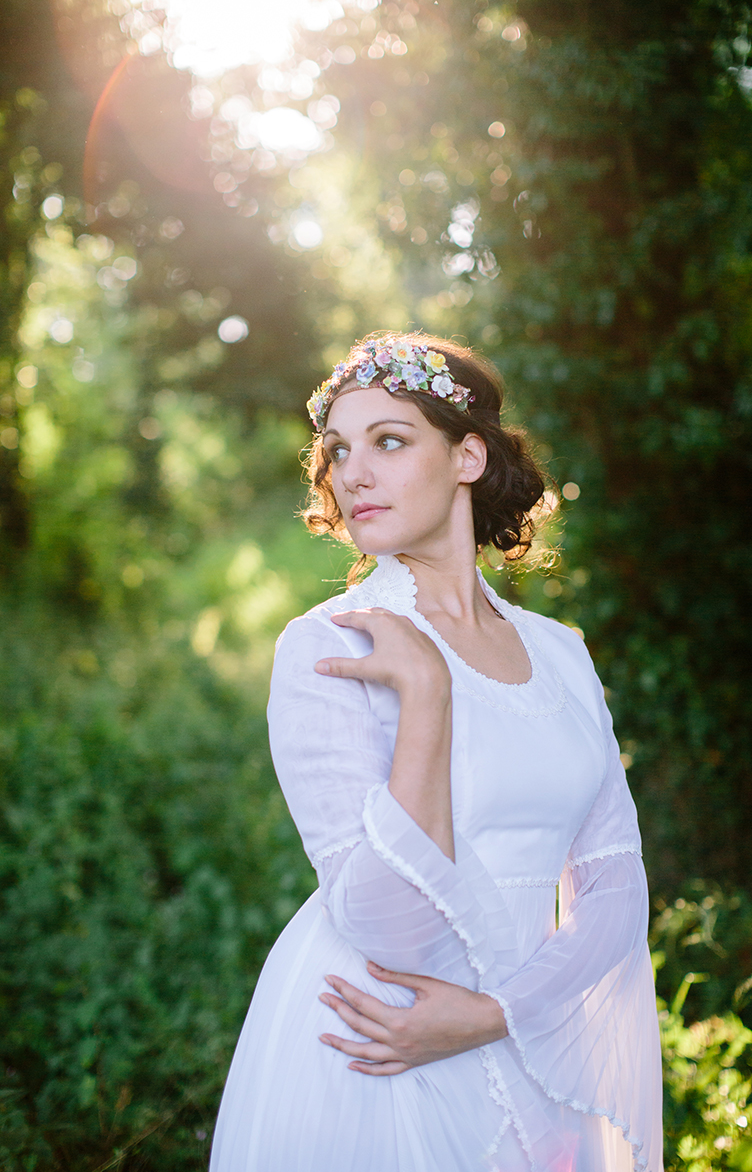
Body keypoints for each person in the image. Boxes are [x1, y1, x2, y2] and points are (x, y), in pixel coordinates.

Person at [209, 333, 663, 1172]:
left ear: (466, 456)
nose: (353, 473)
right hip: (379, 1043)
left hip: (526, 1034)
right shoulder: (325, 647)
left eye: (390, 440)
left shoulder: (561, 652)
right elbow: (384, 921)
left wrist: (501, 1013)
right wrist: (425, 697)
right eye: (339, 450)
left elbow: (616, 883)